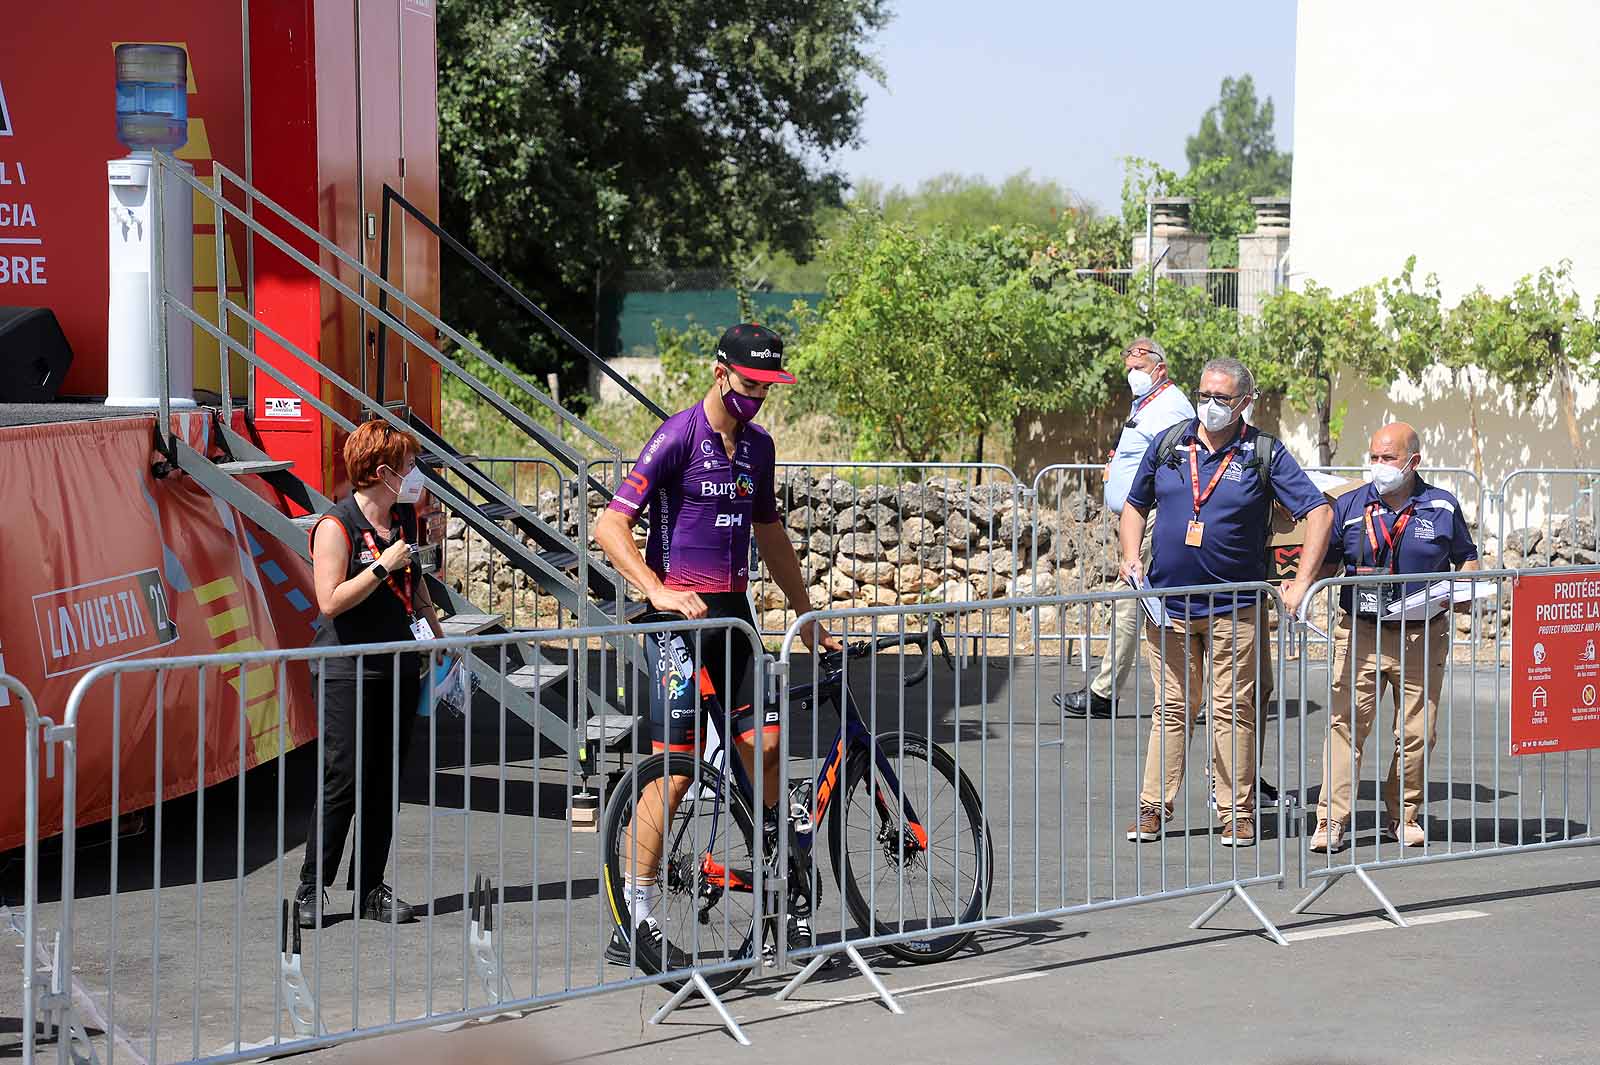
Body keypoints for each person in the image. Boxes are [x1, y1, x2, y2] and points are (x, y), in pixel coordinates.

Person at [593, 322, 840, 964]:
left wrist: (807, 613)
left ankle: (781, 892)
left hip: (732, 619)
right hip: (676, 626)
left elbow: (771, 534)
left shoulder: (759, 447)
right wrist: (655, 588)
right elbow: (611, 525)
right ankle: (636, 913)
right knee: (672, 777)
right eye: (750, 384)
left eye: (768, 387)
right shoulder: (677, 436)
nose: (758, 396)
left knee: (769, 745)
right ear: (719, 371)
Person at [1121, 358, 1333, 848]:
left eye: (1222, 398)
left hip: (1234, 608)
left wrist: (1301, 583)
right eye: (1205, 395)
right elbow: (1134, 504)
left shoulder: (1263, 452)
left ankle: (1235, 811)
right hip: (1167, 604)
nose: (1210, 405)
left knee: (1231, 709)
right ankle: (1153, 808)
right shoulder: (1171, 443)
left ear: (1244, 403)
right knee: (1170, 708)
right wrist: (1131, 556)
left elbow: (1318, 511)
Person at [296, 419, 445, 928]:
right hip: (347, 669)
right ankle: (312, 887)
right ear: (383, 473)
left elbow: (414, 584)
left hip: (398, 663)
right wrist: (381, 565)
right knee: (344, 776)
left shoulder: (401, 521)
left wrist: (434, 630)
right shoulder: (335, 527)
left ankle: (370, 887)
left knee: (384, 781)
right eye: (407, 467)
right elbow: (330, 601)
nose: (414, 474)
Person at [1308, 422, 1479, 854]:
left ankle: (1404, 814)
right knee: (1345, 725)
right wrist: (1303, 592)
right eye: (1375, 457)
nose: (1379, 466)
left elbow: (1468, 560)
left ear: (1413, 462)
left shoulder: (1442, 506)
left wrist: (1465, 593)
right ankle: (1331, 819)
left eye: (1389, 459)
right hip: (1360, 634)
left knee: (1417, 732)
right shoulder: (1347, 505)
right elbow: (1326, 567)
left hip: (1421, 636)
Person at [1059, 337, 1193, 718]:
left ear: (1159, 368)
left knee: (1132, 597)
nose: (1133, 374)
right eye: (1130, 368)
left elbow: (1178, 463)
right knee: (1138, 601)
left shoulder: (1171, 407)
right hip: (1139, 517)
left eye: (1139, 367)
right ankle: (1115, 691)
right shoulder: (1148, 405)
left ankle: (1107, 693)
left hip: (1154, 516)